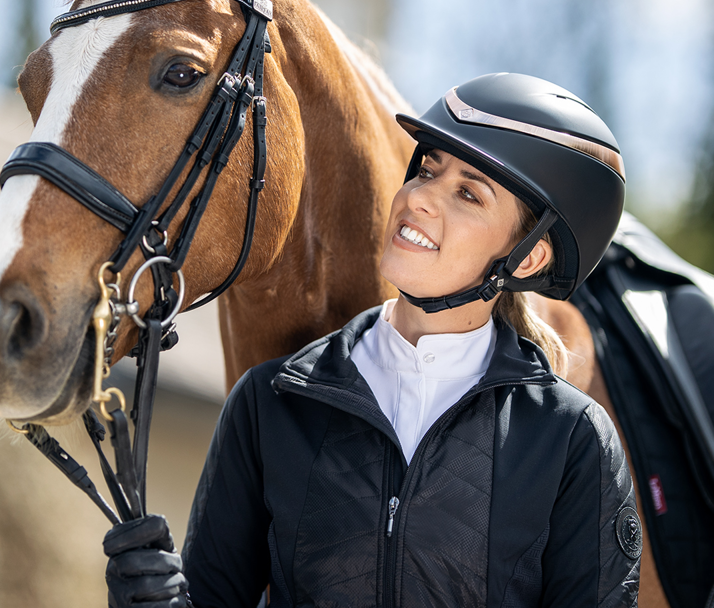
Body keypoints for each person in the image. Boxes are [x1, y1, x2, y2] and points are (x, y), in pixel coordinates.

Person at [104, 72, 641, 608]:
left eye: (467, 194)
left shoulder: (572, 441)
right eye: (427, 169)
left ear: (526, 257)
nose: (422, 198)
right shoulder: (271, 401)